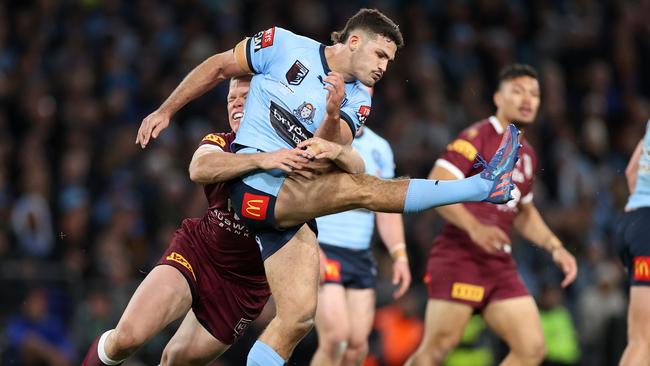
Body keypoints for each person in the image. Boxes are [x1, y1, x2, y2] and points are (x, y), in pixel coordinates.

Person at [135, 9, 522, 365]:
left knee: (299, 316)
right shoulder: (282, 44)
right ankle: (481, 186)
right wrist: (165, 110)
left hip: (290, 199)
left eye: (389, 61)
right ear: (353, 41)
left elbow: (332, 148)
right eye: (379, 55)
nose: (384, 67)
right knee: (362, 189)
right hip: (254, 185)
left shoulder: (358, 99)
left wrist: (334, 112)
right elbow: (220, 67)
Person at [82, 75, 318, 366]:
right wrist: (261, 160)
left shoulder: (294, 157)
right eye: (232, 98)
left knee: (173, 361)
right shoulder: (221, 142)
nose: (236, 104)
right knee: (127, 338)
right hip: (198, 253)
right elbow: (199, 167)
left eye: (245, 96)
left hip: (243, 289)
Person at [406, 64, 578, 366]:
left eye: (534, 94)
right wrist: (474, 228)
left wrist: (555, 246)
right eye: (518, 91)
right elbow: (437, 184)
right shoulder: (477, 137)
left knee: (532, 348)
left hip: (499, 263)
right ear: (498, 98)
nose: (528, 99)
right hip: (461, 255)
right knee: (437, 350)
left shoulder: (528, 153)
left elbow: (523, 211)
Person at [311, 125, 411, 366]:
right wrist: (311, 246)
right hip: (325, 246)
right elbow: (297, 193)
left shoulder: (381, 147)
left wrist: (400, 255)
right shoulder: (319, 135)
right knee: (336, 338)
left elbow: (387, 206)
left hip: (360, 255)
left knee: (357, 346)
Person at [615, 120, 650, 366]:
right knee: (643, 340)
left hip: (634, 221)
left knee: (642, 339)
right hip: (647, 232)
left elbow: (631, 171)